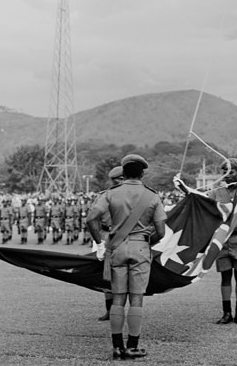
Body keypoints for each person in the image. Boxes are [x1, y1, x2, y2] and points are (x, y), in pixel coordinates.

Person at [87, 154, 166, 360]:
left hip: (117, 247)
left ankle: (116, 347)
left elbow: (91, 218)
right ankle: (132, 346)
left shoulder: (111, 193)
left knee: (118, 298)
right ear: (142, 174)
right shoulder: (152, 196)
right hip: (140, 247)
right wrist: (147, 242)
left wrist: (99, 244)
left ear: (123, 174)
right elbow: (161, 231)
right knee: (137, 298)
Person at [174, 158, 237, 325]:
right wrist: (183, 187)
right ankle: (227, 313)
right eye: (224, 172)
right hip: (222, 239)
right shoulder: (217, 190)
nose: (226, 176)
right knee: (225, 276)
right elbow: (202, 201)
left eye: (231, 172)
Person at [94, 166, 124, 322]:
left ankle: (121, 310)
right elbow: (93, 219)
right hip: (107, 236)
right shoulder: (103, 196)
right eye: (117, 180)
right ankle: (110, 310)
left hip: (126, 236)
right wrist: (98, 243)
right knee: (107, 276)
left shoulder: (135, 196)